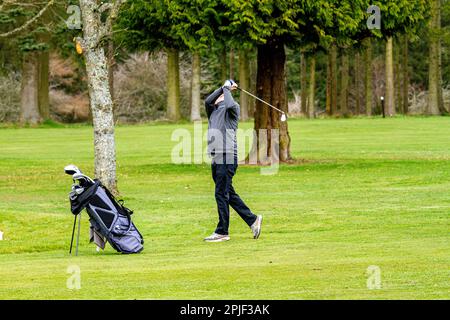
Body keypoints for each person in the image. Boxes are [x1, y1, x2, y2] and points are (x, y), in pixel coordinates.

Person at [203, 79, 263, 242]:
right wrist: (222, 88)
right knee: (227, 192)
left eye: (223, 94)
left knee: (221, 193)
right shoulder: (213, 109)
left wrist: (227, 90)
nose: (219, 96)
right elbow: (207, 100)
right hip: (217, 157)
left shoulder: (232, 108)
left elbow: (229, 103)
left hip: (227, 156)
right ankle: (252, 220)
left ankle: (222, 231)